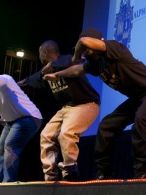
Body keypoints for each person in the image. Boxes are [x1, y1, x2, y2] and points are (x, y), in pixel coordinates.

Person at [43, 29, 146, 179]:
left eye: (85, 50)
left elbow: (83, 42)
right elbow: (76, 71)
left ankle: (143, 171)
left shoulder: (114, 48)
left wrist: (75, 56)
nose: (83, 53)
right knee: (106, 126)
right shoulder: (96, 64)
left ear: (98, 43)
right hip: (138, 98)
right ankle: (105, 173)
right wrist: (56, 75)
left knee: (141, 119)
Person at [18, 40, 100, 181]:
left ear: (44, 52)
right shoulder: (46, 71)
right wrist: (19, 83)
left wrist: (52, 66)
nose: (39, 57)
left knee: (66, 133)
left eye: (39, 54)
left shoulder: (68, 59)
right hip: (66, 108)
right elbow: (33, 78)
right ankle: (50, 175)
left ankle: (70, 171)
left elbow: (70, 62)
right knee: (46, 135)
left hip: (86, 104)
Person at [0, 66, 43, 182]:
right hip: (12, 120)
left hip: (29, 118)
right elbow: (7, 103)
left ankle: (8, 183)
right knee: (0, 148)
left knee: (9, 146)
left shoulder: (3, 79)